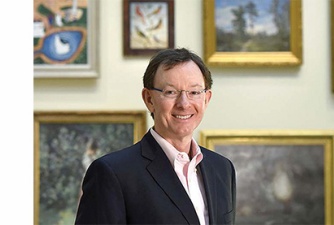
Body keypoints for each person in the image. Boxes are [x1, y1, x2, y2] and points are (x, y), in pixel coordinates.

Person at [75, 48, 236, 225]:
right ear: (149, 99)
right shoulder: (112, 173)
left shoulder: (222, 168)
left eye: (194, 92)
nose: (184, 104)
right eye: (170, 92)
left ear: (206, 99)